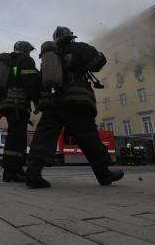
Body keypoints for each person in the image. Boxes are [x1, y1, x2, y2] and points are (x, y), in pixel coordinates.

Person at [26, 26, 124, 188]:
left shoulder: (49, 59)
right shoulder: (79, 48)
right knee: (89, 138)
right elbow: (100, 62)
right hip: (75, 102)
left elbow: (39, 83)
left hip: (51, 104)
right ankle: (104, 174)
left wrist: (38, 102)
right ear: (70, 37)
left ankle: (33, 174)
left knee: (43, 138)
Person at [0, 41, 39, 182]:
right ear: (26, 50)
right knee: (17, 137)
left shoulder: (9, 61)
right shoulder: (26, 60)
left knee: (14, 135)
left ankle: (11, 171)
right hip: (18, 104)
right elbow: (30, 81)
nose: (30, 53)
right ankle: (13, 171)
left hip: (7, 104)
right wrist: (37, 101)